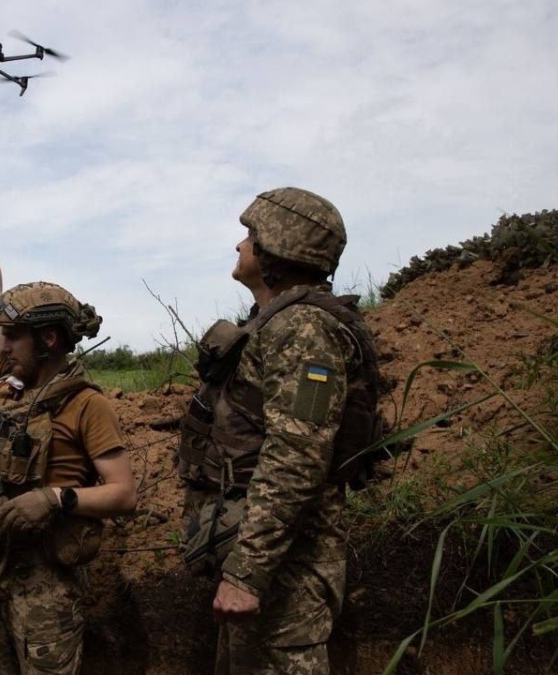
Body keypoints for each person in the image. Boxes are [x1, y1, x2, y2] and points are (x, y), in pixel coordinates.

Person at [176, 188, 381, 674]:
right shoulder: (274, 325)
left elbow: (296, 456)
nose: (239, 245)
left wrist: (247, 573)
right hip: (268, 564)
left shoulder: (303, 328)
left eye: (250, 236)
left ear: (276, 250)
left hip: (285, 570)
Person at [0, 175, 138, 675]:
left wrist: (55, 499)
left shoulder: (86, 405)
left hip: (47, 586)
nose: (1, 345)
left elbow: (123, 494)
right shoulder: (11, 387)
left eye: (13, 336)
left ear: (50, 340)